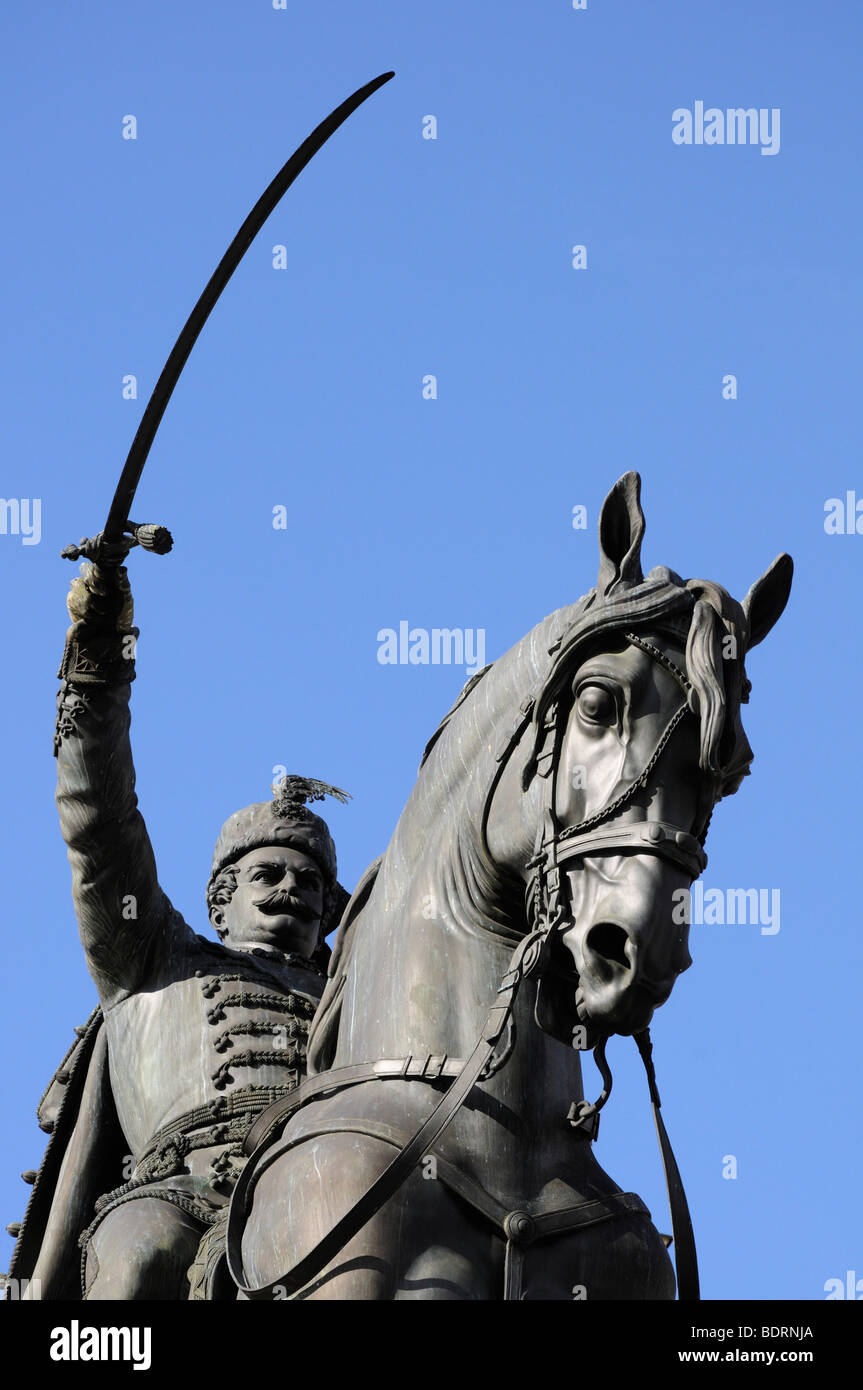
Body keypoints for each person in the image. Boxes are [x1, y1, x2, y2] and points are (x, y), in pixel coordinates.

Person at [11, 539, 348, 1300]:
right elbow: (99, 821)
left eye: (309, 883)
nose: (290, 889)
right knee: (137, 1259)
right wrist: (102, 652)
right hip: (185, 1193)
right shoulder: (151, 955)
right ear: (218, 899)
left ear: (332, 908)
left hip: (339, 1192)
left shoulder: (358, 989)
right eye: (267, 873)